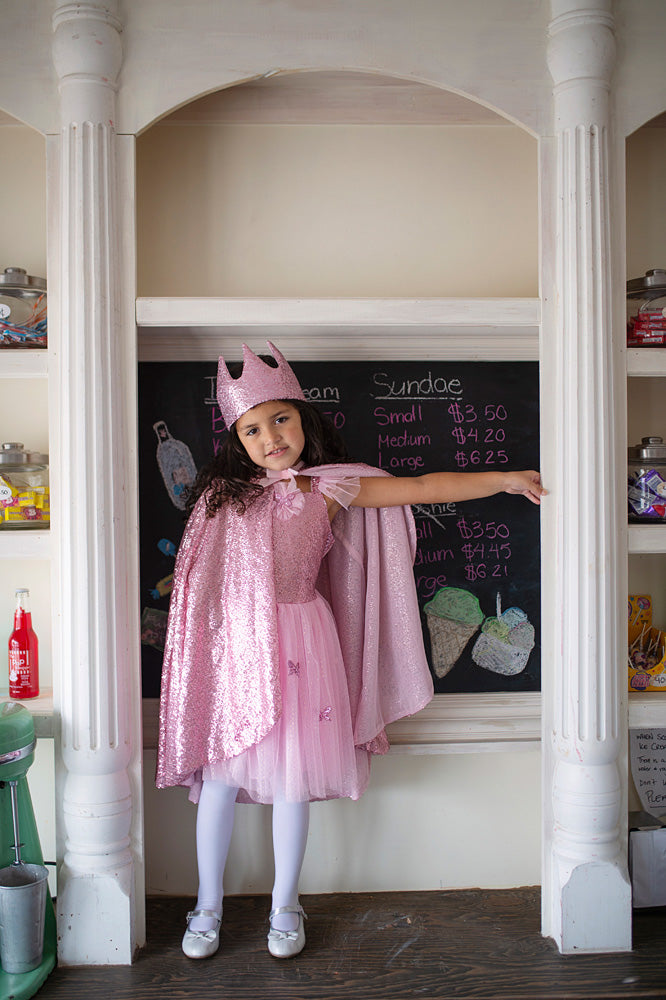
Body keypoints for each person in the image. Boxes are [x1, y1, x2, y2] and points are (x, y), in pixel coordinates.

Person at [156, 342, 545, 961]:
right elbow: (199, 587)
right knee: (223, 780)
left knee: (292, 781)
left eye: (280, 419)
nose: (271, 436)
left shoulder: (332, 488)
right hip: (235, 652)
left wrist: (504, 479)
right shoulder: (220, 498)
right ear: (237, 439)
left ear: (303, 420)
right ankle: (206, 904)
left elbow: (422, 486)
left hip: (304, 643)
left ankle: (286, 903)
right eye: (253, 428)